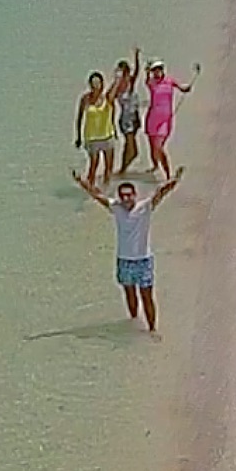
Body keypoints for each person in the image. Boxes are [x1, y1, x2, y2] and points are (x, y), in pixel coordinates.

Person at [73, 169, 181, 332]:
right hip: (124, 260)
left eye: (129, 195)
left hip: (143, 260)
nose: (126, 199)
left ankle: (152, 330)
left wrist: (175, 180)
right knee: (130, 294)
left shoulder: (145, 207)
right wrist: (81, 181)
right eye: (123, 196)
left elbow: (161, 193)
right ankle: (133, 322)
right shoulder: (116, 208)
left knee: (147, 297)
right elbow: (96, 194)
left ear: (135, 194)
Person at [143, 59, 198, 180]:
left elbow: (182, 88)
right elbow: (146, 80)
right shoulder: (151, 82)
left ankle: (167, 174)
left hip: (165, 120)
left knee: (159, 147)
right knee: (152, 146)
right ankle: (155, 166)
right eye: (154, 70)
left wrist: (187, 88)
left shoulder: (170, 81)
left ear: (163, 69)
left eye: (159, 69)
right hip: (152, 119)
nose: (157, 72)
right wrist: (146, 70)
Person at [75, 70, 118, 187]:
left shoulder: (107, 98)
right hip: (92, 137)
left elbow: (116, 88)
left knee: (109, 166)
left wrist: (117, 78)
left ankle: (106, 189)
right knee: (94, 165)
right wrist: (78, 136)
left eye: (98, 83)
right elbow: (79, 118)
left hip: (107, 136)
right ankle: (90, 188)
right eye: (93, 83)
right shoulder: (85, 99)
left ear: (102, 84)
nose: (96, 86)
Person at [112, 49, 148, 174]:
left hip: (135, 116)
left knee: (132, 148)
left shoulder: (130, 82)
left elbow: (137, 71)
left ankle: (123, 169)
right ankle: (122, 169)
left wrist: (137, 56)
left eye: (126, 71)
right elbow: (110, 99)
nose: (125, 74)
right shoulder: (117, 86)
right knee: (130, 147)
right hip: (126, 119)